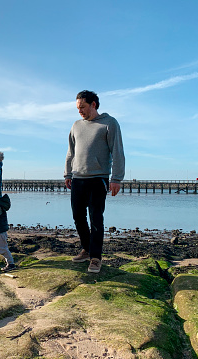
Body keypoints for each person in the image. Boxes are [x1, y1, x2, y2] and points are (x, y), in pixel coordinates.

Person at [64, 90, 125, 273]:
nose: (80, 111)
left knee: (96, 219)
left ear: (93, 104)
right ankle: (87, 249)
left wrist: (116, 179)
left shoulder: (109, 123)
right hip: (77, 178)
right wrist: (68, 174)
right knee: (77, 217)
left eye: (82, 107)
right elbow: (70, 152)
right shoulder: (76, 125)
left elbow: (117, 152)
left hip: (98, 179)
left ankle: (96, 258)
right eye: (77, 108)